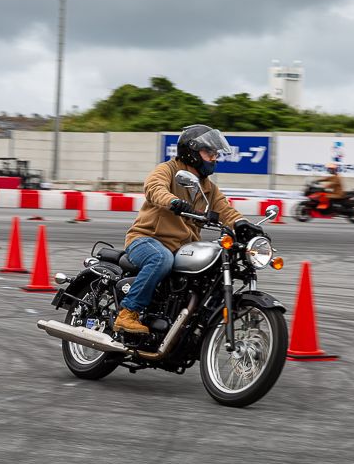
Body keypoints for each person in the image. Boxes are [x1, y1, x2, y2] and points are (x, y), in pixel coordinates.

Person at [114, 124, 266, 334]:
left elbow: (225, 211)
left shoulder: (208, 188)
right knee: (161, 259)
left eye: (215, 153)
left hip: (182, 247)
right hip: (147, 239)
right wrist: (173, 202)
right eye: (209, 152)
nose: (214, 158)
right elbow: (154, 187)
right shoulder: (168, 169)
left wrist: (242, 224)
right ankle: (128, 313)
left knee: (212, 268)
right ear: (192, 152)